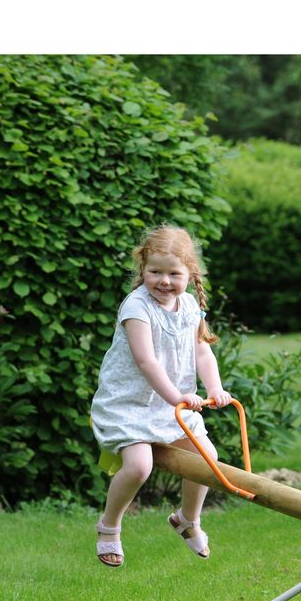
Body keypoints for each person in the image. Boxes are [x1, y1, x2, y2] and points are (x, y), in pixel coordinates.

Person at [91, 224, 232, 568]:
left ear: (190, 274)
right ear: (143, 269)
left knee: (208, 459)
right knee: (140, 466)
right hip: (130, 404)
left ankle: (187, 519)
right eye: (155, 272)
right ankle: (109, 526)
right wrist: (177, 397)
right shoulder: (137, 307)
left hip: (171, 405)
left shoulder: (188, 305)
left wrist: (214, 388)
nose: (164, 281)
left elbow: (202, 352)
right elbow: (147, 361)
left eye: (174, 274)